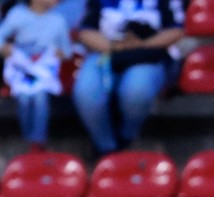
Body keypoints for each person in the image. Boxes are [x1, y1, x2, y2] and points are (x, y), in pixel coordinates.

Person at [71, 0, 184, 157]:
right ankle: (106, 147)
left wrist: (141, 45)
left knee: (136, 90)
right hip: (105, 50)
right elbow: (86, 31)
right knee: (86, 92)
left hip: (149, 53)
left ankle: (126, 137)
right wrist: (115, 47)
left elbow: (176, 30)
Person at [0, 0, 72, 151]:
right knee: (25, 98)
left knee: (40, 98)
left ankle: (38, 143)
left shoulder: (58, 21)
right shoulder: (18, 15)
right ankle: (28, 140)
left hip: (44, 72)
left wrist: (60, 54)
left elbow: (67, 51)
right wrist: (5, 47)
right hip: (23, 70)